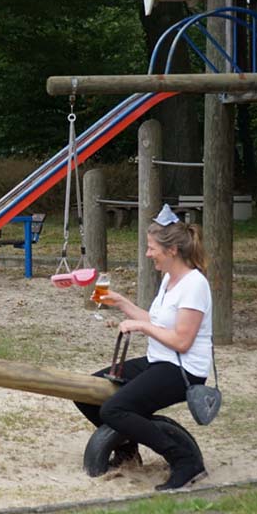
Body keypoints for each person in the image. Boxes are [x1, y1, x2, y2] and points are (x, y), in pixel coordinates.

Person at [75, 204, 213, 491]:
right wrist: (122, 303)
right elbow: (157, 321)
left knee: (115, 409)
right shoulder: (169, 279)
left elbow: (182, 341)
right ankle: (128, 451)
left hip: (183, 370)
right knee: (86, 392)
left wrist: (141, 327)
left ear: (171, 250)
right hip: (158, 360)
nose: (148, 254)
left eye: (152, 248)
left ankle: (185, 460)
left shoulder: (194, 285)